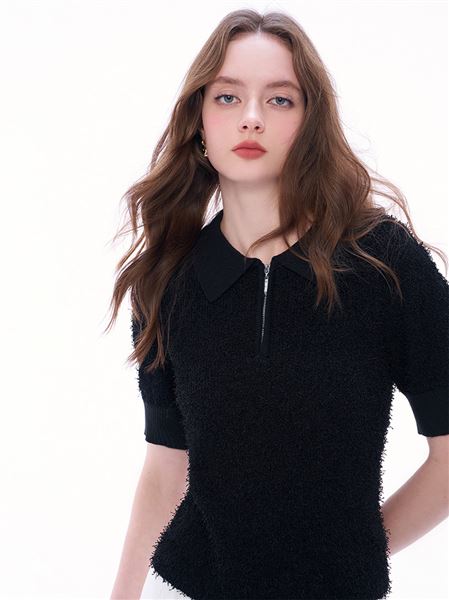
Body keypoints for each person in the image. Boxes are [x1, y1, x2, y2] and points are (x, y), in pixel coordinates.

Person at [108, 8, 449, 600]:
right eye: (227, 97)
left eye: (280, 100)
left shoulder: (384, 264)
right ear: (199, 121)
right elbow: (165, 466)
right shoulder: (168, 280)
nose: (252, 118)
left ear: (310, 121)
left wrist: (351, 555)